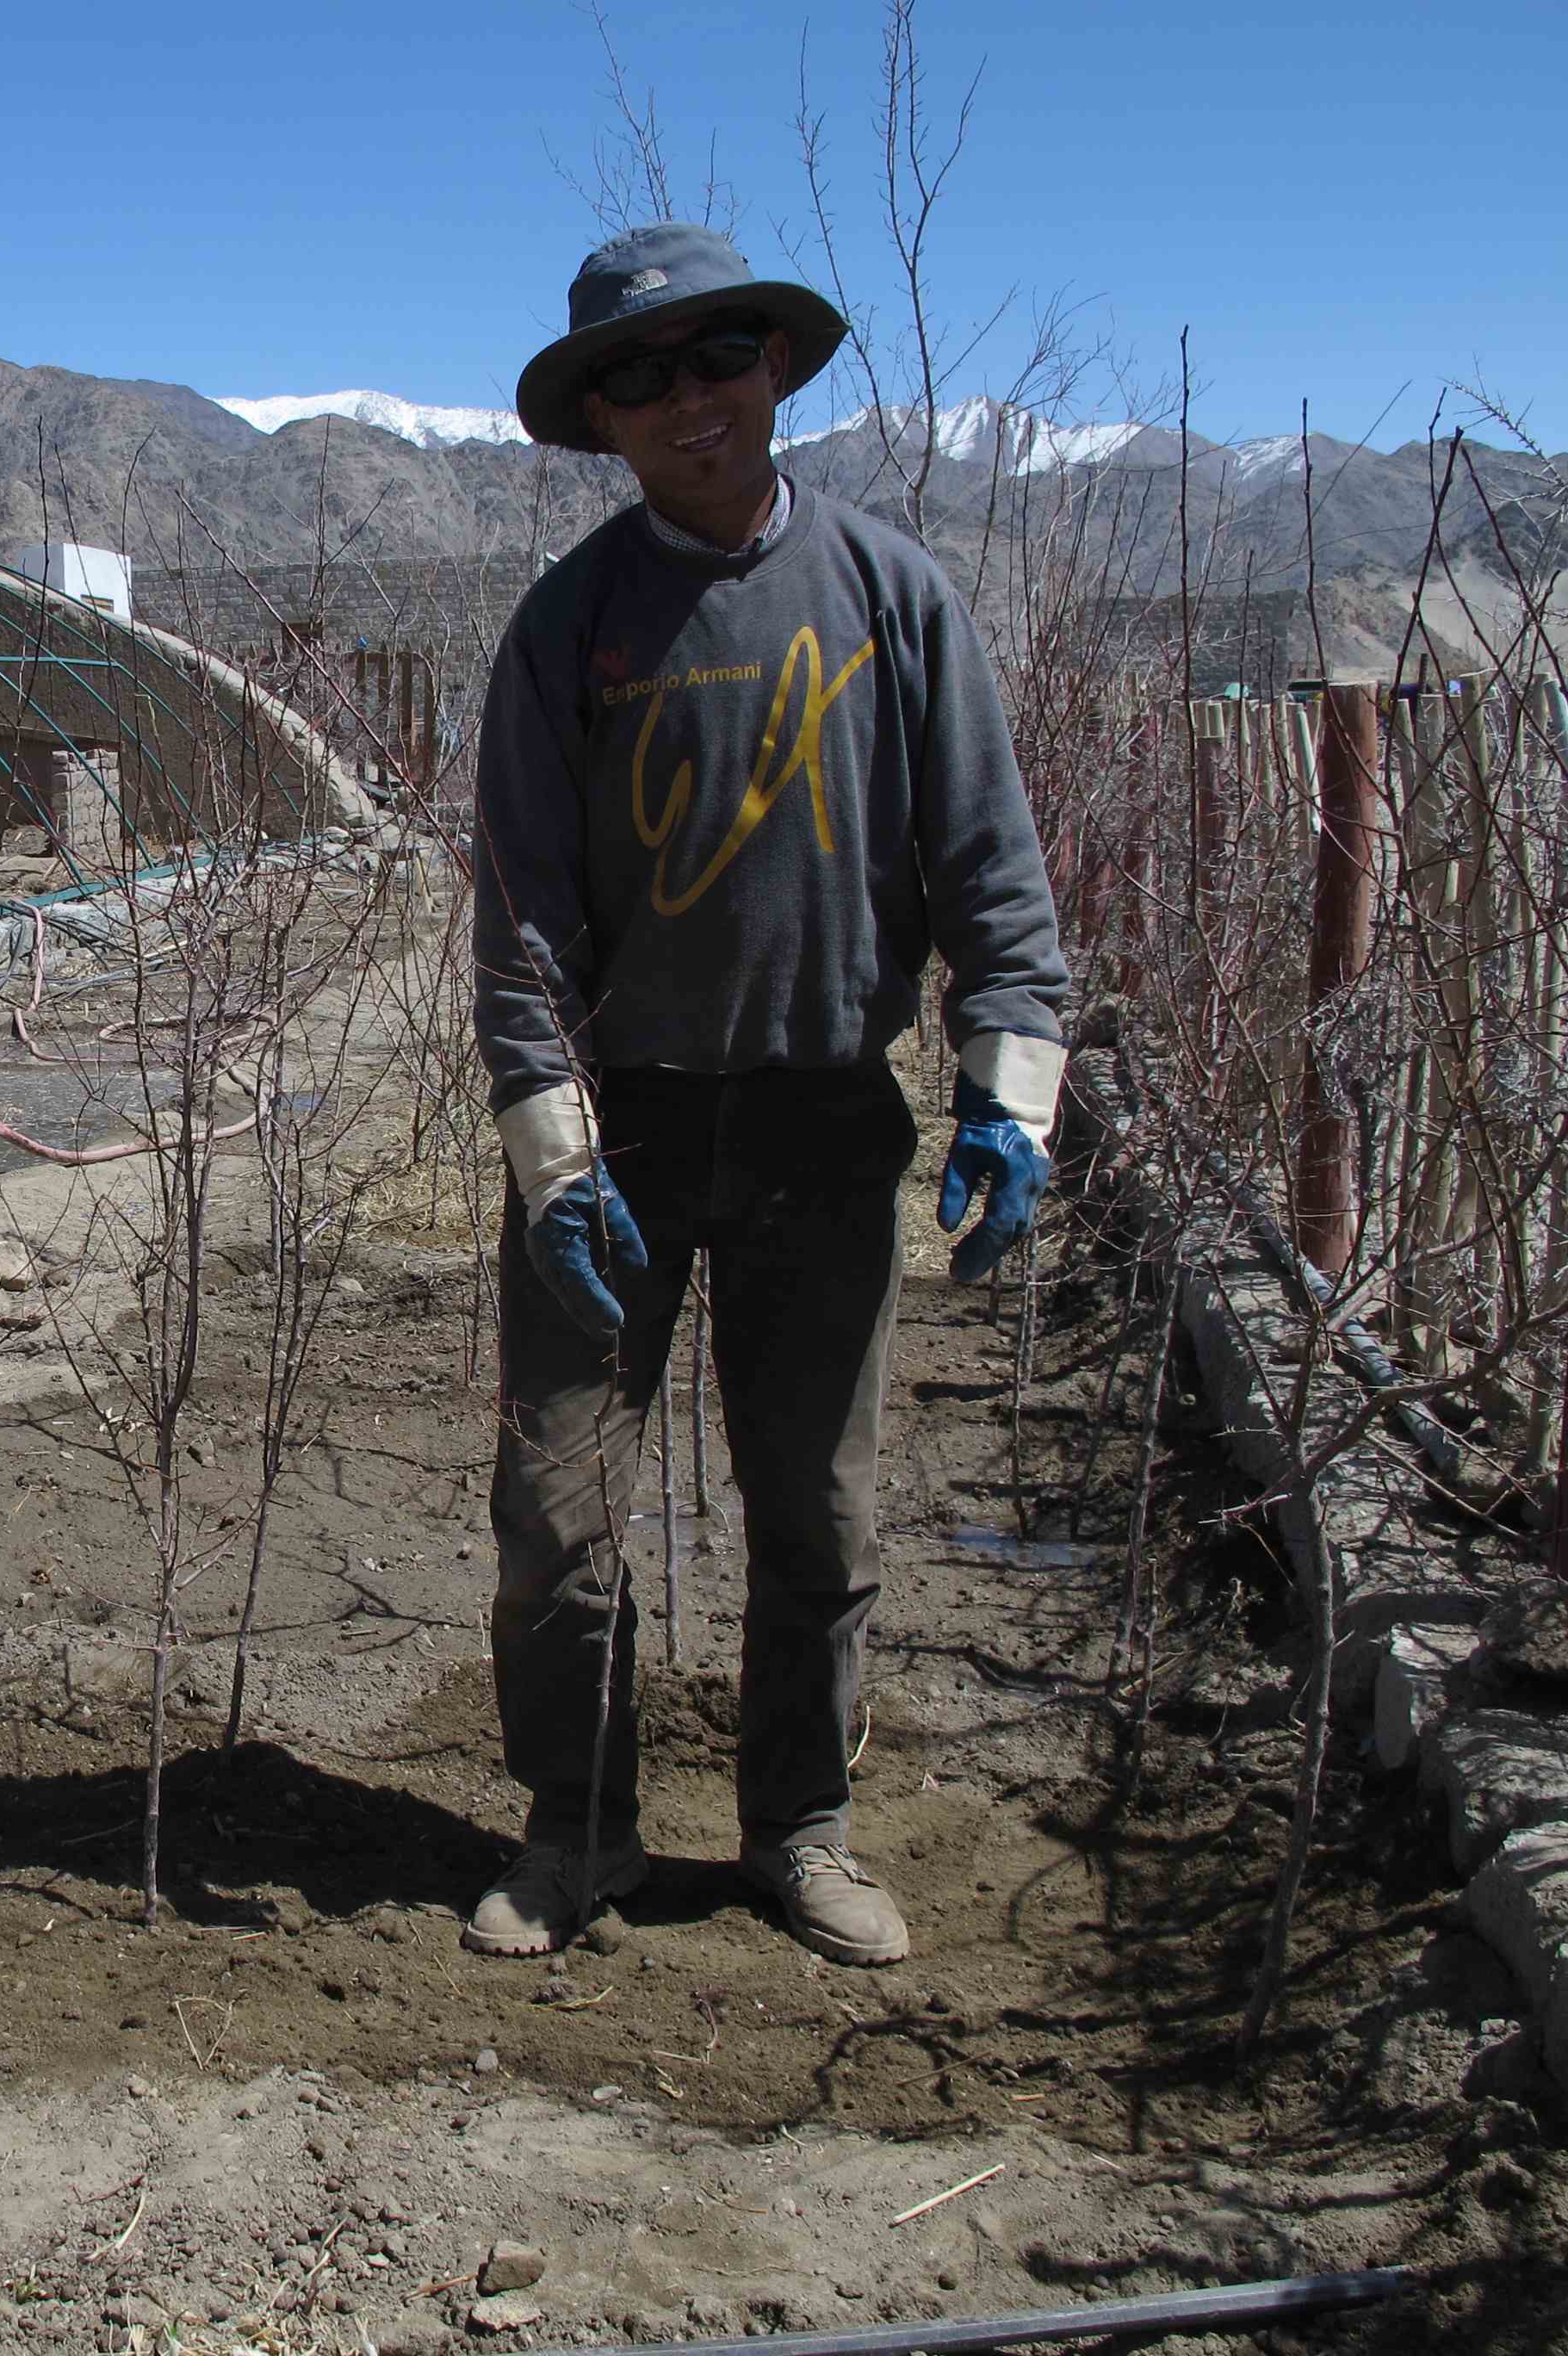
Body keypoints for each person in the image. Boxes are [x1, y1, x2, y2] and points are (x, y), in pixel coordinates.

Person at [467, 222, 1069, 1968]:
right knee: (557, 1515)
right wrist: (553, 1158)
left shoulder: (896, 600)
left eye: (716, 357)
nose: (688, 400)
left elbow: (993, 879)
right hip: (624, 1134)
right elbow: (518, 920)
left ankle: (801, 1828)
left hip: (825, 1120)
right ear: (605, 417)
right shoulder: (568, 625)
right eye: (639, 378)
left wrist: (1007, 1091)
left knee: (818, 1507)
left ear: (777, 370)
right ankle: (577, 1829)